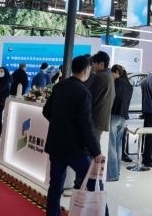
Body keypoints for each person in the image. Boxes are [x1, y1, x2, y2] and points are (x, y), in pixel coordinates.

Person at [42, 55, 105, 216]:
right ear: (86, 70)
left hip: (56, 145)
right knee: (93, 182)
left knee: (55, 185)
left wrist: (60, 124)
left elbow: (46, 111)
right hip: (75, 148)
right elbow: (85, 125)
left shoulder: (59, 86)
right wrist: (96, 151)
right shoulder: (83, 92)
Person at [107, 64, 133, 182]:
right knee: (118, 145)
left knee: (112, 146)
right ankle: (116, 171)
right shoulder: (129, 85)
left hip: (114, 115)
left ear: (117, 72)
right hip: (123, 117)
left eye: (112, 73)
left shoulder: (116, 83)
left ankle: (112, 175)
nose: (111, 76)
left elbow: (112, 99)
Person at [88, 51, 115, 144]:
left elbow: (90, 97)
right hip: (100, 118)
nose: (93, 66)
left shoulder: (101, 77)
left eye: (94, 63)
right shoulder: (108, 75)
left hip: (95, 118)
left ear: (101, 64)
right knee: (94, 145)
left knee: (91, 146)